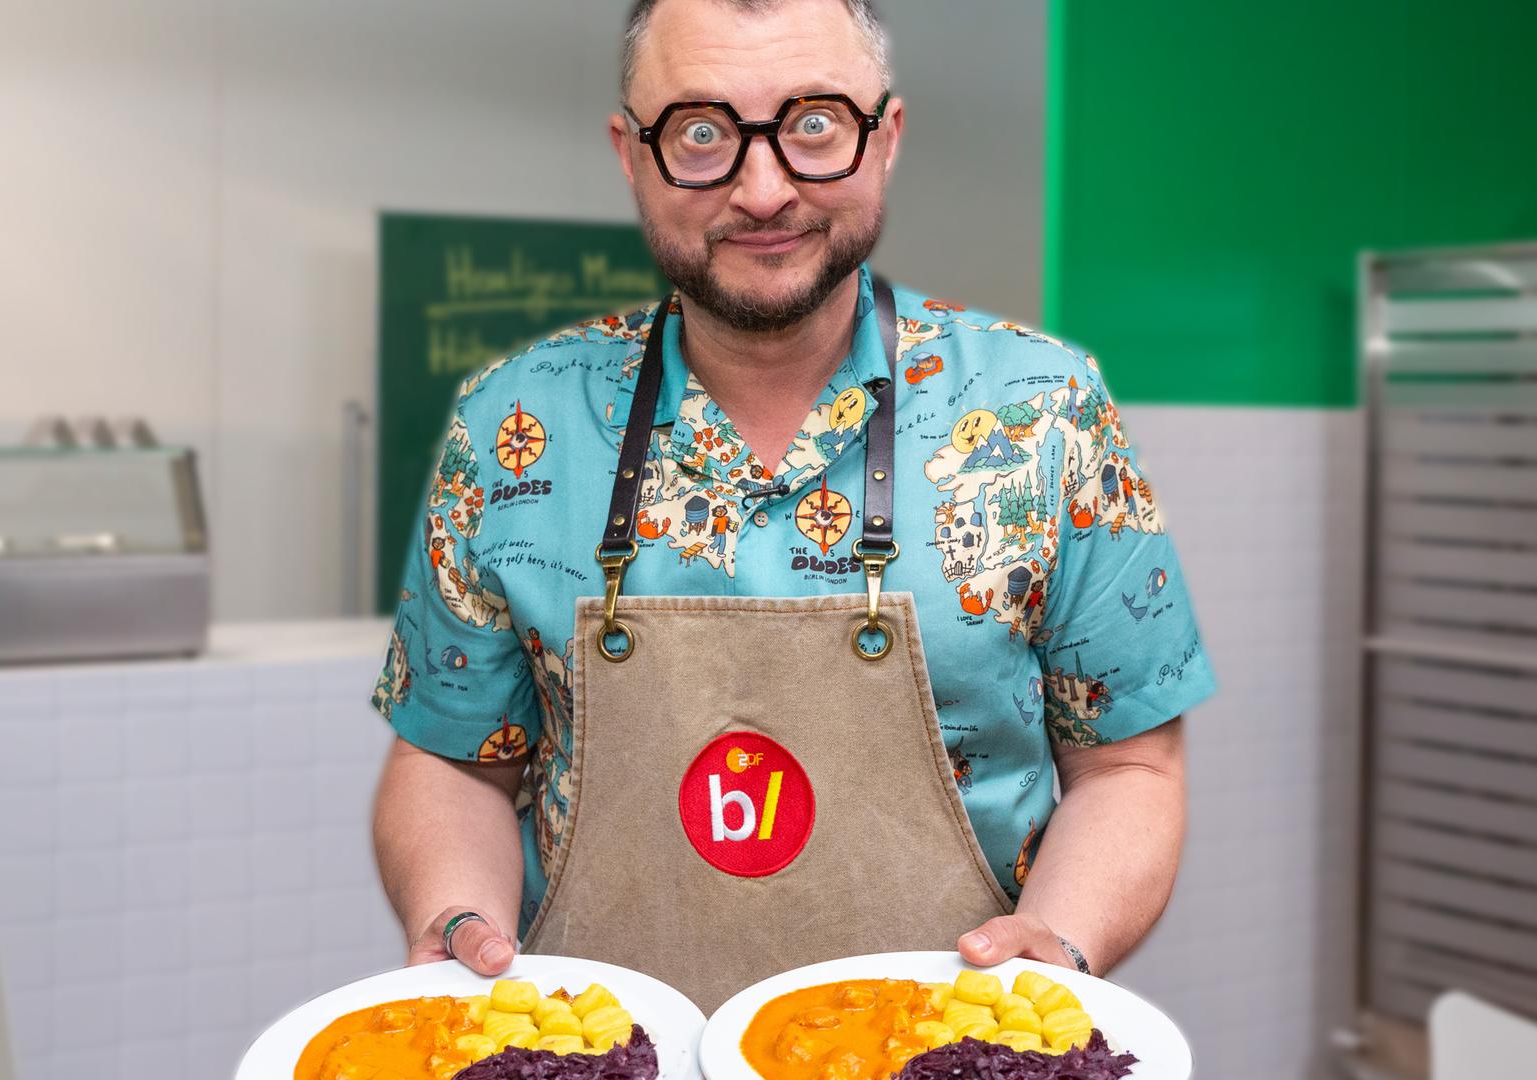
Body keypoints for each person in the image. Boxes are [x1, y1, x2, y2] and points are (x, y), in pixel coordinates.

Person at [371, 0, 1215, 1011]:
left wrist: (1056, 955)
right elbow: (453, 761)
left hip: (946, 1054)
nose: (763, 190)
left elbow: (1128, 769)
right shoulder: (517, 422)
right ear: (631, 156)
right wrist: (458, 918)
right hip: (603, 1049)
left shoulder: (1042, 412)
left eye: (815, 123)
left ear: (886, 137)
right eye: (700, 133)